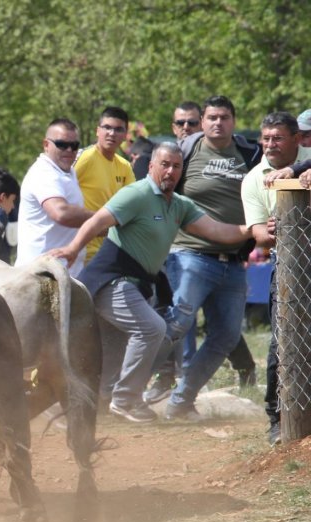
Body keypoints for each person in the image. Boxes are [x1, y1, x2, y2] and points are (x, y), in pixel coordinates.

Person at [49, 142, 251, 423]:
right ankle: (125, 401)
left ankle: (94, 408)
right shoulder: (137, 193)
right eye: (165, 164)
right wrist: (72, 249)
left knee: (114, 348)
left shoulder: (179, 205)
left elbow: (217, 231)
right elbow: (97, 221)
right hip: (110, 280)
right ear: (152, 165)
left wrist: (251, 230)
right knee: (151, 329)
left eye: (176, 166)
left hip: (134, 286)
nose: (170, 171)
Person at [158, 95, 263, 421]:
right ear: (203, 121)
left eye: (225, 117)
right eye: (212, 117)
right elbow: (159, 191)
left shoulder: (249, 153)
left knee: (226, 335)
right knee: (178, 322)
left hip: (232, 260)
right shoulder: (186, 152)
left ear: (233, 120)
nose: (218, 123)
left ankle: (180, 401)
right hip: (189, 254)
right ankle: (126, 391)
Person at [243, 112, 311, 445]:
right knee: (281, 345)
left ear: (297, 139)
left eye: (278, 138)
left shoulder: (307, 162)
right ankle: (277, 418)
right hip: (288, 270)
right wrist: (268, 231)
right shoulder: (254, 178)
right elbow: (256, 232)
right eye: (266, 138)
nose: (270, 144)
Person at [14, 118, 93, 274]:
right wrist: (102, 219)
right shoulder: (44, 173)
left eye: (74, 145)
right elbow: (61, 213)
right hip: (39, 278)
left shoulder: (67, 172)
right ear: (46, 145)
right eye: (62, 145)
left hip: (62, 275)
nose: (69, 150)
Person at [75, 106, 135, 261]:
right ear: (97, 131)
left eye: (118, 129)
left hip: (109, 253)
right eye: (107, 127)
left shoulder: (124, 166)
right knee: (49, 286)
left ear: (125, 135)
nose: (112, 133)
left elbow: (133, 205)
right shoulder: (85, 158)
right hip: (79, 252)